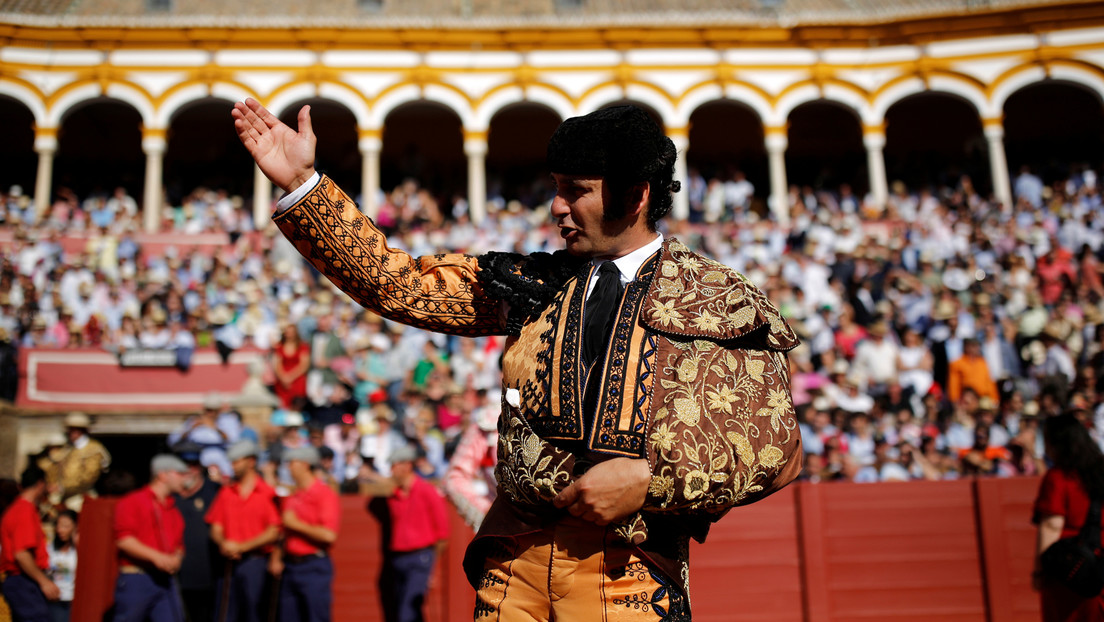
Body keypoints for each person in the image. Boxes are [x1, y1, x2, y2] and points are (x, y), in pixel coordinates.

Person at [234, 98, 803, 618]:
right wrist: (304, 186)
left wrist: (650, 480)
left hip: (626, 573)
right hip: (513, 566)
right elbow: (396, 284)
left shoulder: (713, 300)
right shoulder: (532, 283)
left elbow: (775, 451)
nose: (556, 207)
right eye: (555, 186)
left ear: (635, 196)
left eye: (575, 190)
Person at [1032, 413, 1104, 621]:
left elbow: (1051, 527)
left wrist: (1039, 573)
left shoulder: (1059, 477)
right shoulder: (1100, 472)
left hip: (1070, 571)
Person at [370, 445, 449, 622]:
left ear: (406, 465)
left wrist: (431, 568)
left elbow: (442, 535)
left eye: (394, 465)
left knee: (407, 611)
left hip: (420, 558)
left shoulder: (427, 491)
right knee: (406, 609)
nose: (391, 471)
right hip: (398, 559)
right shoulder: (395, 494)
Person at [206, 440, 280, 622]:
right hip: (229, 560)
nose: (233, 465)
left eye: (237, 461)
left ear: (251, 461)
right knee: (225, 614)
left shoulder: (267, 492)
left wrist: (241, 547)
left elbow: (273, 531)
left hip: (256, 561)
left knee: (254, 613)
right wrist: (224, 543)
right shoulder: (227, 492)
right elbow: (215, 528)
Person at [112, 454, 189, 622]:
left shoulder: (173, 508)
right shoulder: (132, 501)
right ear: (163, 475)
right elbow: (124, 539)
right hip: (137, 578)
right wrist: (157, 557)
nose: (185, 478)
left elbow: (179, 545)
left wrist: (177, 558)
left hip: (165, 580)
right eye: (180, 473)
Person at [271, 446, 339, 622]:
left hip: (313, 564)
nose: (289, 468)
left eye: (292, 463)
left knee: (315, 616)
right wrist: (277, 556)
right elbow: (284, 531)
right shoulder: (295, 495)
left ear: (305, 464)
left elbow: (329, 535)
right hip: (292, 564)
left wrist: (296, 525)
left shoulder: (324, 494)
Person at [0, 465, 59, 622]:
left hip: (20, 580)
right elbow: (21, 554)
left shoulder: (19, 509)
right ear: (40, 484)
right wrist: (44, 581)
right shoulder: (24, 511)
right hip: (23, 580)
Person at [171, 444, 221, 622]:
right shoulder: (169, 493)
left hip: (206, 575)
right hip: (173, 573)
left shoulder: (215, 491)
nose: (188, 470)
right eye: (183, 465)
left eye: (193, 465)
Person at [39, 412, 111, 512]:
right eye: (70, 429)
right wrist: (53, 485)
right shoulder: (68, 448)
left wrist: (62, 488)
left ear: (82, 430)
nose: (71, 433)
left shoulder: (93, 449)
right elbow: (54, 468)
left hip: (82, 497)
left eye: (75, 429)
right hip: (64, 497)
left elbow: (89, 477)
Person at [45, 510, 77, 622]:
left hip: (75, 600)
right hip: (55, 600)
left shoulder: (79, 550)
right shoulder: (49, 548)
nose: (60, 530)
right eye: (58, 526)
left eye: (65, 526)